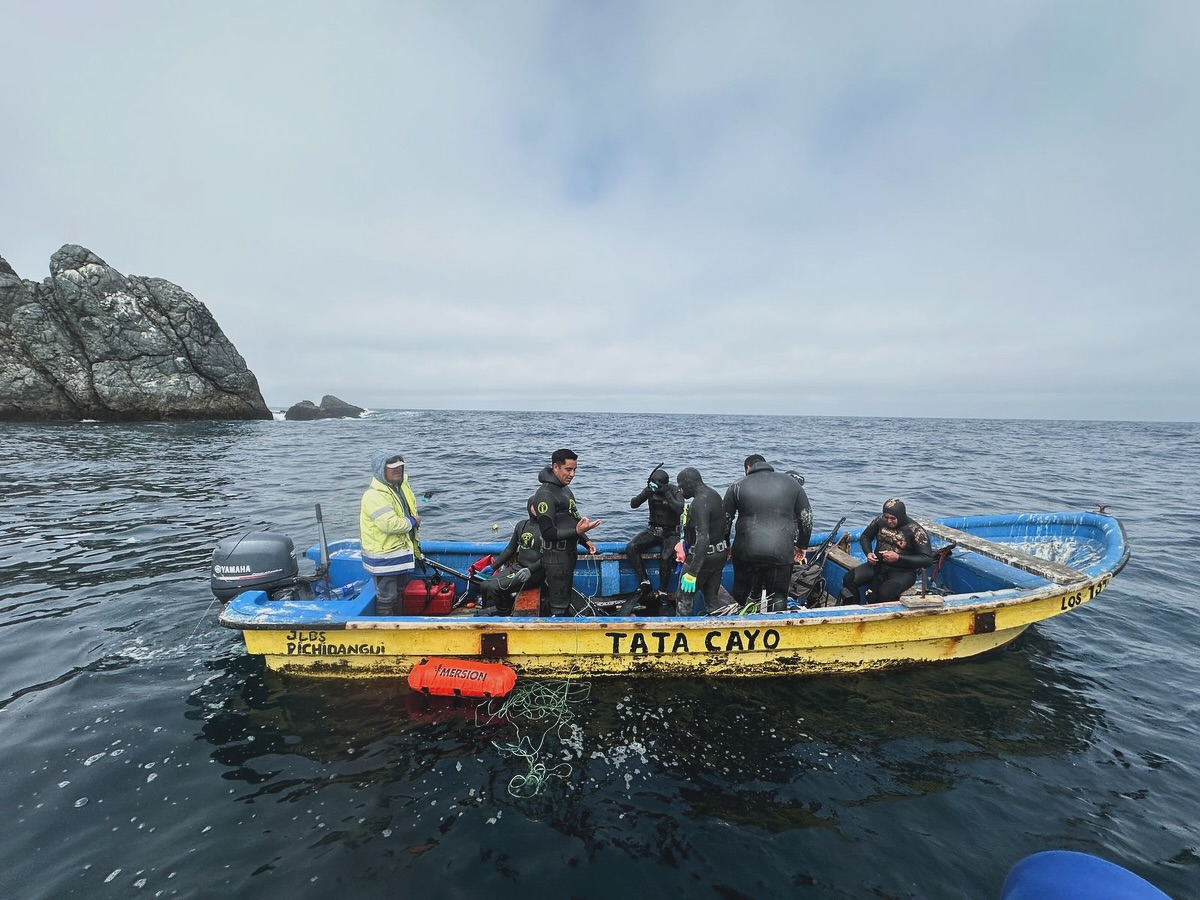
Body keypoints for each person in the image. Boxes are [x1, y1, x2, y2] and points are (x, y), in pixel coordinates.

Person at [723, 454, 813, 604]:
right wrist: (802, 545)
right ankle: (776, 624)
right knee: (778, 596)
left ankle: (734, 622)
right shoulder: (792, 484)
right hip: (781, 551)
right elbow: (806, 518)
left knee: (740, 590)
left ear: (747, 468)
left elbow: (725, 519)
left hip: (745, 550)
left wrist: (726, 544)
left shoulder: (737, 485)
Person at [531, 448, 601, 616]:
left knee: (565, 599)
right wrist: (577, 531)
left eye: (575, 469)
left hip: (568, 554)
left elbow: (573, 519)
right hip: (555, 557)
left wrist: (586, 540)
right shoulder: (545, 494)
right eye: (568, 469)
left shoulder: (565, 490)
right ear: (555, 467)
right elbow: (548, 533)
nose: (572, 474)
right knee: (559, 605)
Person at [359, 450, 422, 616]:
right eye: (392, 467)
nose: (398, 470)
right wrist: (412, 522)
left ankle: (400, 622)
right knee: (386, 597)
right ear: (381, 470)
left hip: (400, 555)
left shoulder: (401, 488)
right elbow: (389, 524)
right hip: (384, 558)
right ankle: (387, 627)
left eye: (400, 466)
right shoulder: (373, 496)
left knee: (400, 591)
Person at [839, 498, 935, 605]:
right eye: (886, 517)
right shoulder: (880, 521)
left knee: (885, 592)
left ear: (901, 516)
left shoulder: (915, 531)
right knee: (849, 579)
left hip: (903, 571)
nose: (889, 521)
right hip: (878, 565)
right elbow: (865, 537)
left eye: (893, 518)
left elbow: (927, 559)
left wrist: (898, 557)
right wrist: (868, 553)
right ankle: (854, 608)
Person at [674, 467, 730, 615]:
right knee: (712, 600)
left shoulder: (699, 503)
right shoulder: (714, 495)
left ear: (689, 483)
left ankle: (683, 633)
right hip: (719, 556)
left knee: (683, 600)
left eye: (680, 486)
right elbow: (724, 527)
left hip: (702, 560)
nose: (680, 491)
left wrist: (693, 572)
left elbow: (703, 538)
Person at [624, 468, 685, 596]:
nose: (653, 488)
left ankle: (663, 592)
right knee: (631, 547)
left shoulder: (674, 491)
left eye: (656, 486)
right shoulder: (650, 492)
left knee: (665, 557)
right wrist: (644, 495)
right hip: (652, 530)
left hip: (671, 533)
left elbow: (679, 509)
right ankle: (644, 581)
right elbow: (633, 504)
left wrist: (667, 494)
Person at [477, 500, 545, 615]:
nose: (537, 509)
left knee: (494, 588)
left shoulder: (546, 530)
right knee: (484, 585)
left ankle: (499, 615)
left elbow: (548, 557)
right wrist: (493, 566)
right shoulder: (522, 525)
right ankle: (487, 614)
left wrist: (530, 570)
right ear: (529, 507)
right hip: (518, 568)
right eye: (535, 506)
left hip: (534, 573)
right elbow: (510, 549)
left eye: (540, 506)